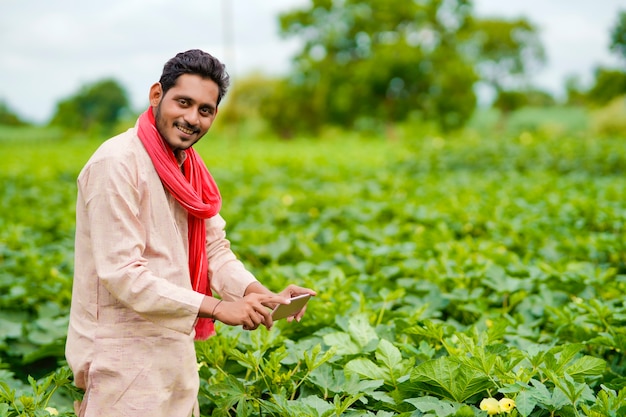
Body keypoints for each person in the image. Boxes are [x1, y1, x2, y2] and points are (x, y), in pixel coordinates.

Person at [65, 49, 316, 417]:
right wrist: (218, 308)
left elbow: (215, 249)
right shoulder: (115, 163)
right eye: (183, 102)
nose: (191, 118)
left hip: (176, 352)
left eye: (205, 110)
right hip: (122, 360)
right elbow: (123, 274)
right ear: (156, 95)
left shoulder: (189, 168)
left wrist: (257, 294)